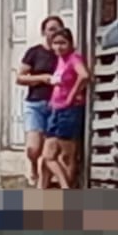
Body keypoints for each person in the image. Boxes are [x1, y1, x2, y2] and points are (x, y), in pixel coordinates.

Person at [16, 15, 65, 185]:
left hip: (56, 104)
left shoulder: (63, 54)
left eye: (58, 29)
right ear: (44, 32)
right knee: (33, 147)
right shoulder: (34, 52)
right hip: (35, 103)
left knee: (49, 148)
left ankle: (43, 183)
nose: (54, 33)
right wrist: (43, 78)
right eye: (51, 29)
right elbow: (20, 77)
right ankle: (32, 166)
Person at [39, 27, 89, 189]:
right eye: (55, 43)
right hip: (55, 109)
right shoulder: (60, 60)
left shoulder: (74, 58)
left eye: (62, 43)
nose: (59, 47)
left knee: (68, 156)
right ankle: (64, 187)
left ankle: (66, 189)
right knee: (48, 156)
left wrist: (71, 97)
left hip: (69, 110)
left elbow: (84, 76)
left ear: (70, 43)